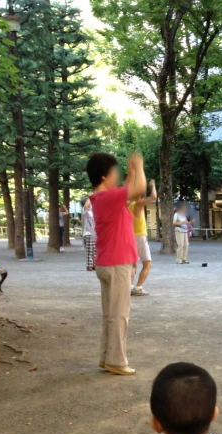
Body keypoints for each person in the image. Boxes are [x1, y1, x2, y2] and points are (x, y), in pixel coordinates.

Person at [87, 151, 146, 376]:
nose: (118, 176)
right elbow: (139, 189)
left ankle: (107, 357)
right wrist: (138, 166)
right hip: (116, 263)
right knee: (120, 314)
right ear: (104, 176)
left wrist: (131, 172)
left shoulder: (104, 198)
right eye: (115, 172)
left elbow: (131, 190)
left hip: (110, 262)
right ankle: (117, 360)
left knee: (111, 314)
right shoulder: (107, 198)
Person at [129, 179, 157, 296]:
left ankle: (129, 287)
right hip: (139, 236)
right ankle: (138, 287)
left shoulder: (129, 205)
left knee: (133, 264)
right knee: (147, 264)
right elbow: (154, 197)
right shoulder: (138, 204)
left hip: (130, 236)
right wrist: (153, 186)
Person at [81, 197, 96, 271]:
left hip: (95, 233)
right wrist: (90, 197)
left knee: (95, 250)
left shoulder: (92, 210)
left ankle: (95, 264)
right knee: (90, 250)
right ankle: (89, 265)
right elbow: (86, 205)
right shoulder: (84, 210)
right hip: (88, 233)